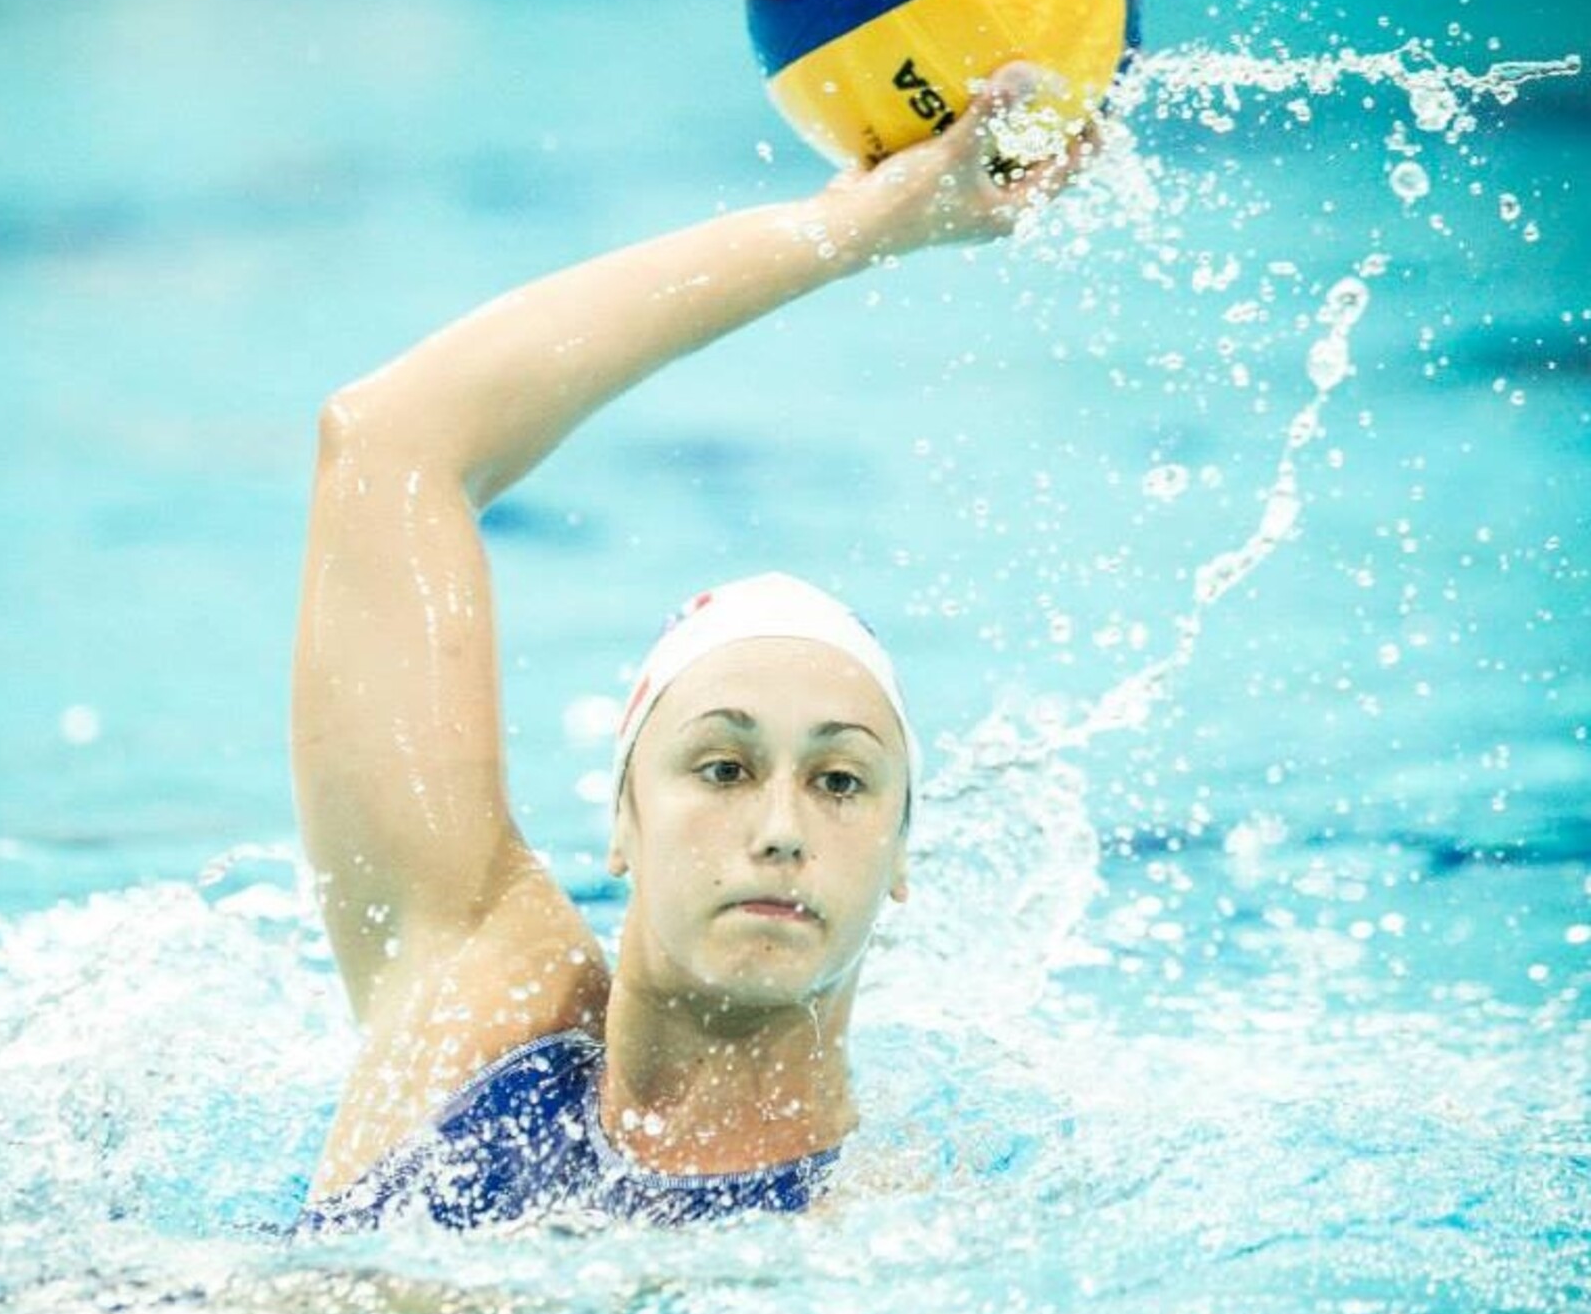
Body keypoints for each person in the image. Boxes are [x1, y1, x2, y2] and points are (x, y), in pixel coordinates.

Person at [290, 63, 1096, 1233]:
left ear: (902, 853)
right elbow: (389, 435)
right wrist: (856, 227)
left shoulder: (891, 1231)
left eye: (838, 782)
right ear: (621, 819)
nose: (777, 830)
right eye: (720, 767)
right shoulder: (478, 1012)